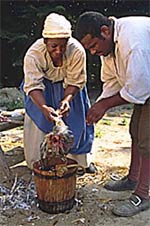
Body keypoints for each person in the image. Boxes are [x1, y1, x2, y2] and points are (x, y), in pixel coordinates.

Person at [75, 11, 150, 217]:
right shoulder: (108, 48)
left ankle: (144, 194)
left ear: (105, 31)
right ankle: (133, 178)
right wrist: (96, 108)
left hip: (146, 85)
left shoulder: (133, 42)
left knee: (147, 138)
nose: (92, 52)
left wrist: (105, 105)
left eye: (93, 46)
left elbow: (139, 89)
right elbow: (111, 82)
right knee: (135, 131)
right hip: (146, 85)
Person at [21, 13, 97, 174]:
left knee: (77, 119)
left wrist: (67, 100)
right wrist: (43, 107)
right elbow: (33, 85)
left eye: (63, 46)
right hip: (42, 89)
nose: (59, 51)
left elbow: (75, 81)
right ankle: (40, 162)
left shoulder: (76, 50)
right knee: (40, 120)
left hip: (69, 88)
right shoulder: (34, 54)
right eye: (53, 46)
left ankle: (79, 162)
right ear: (45, 42)